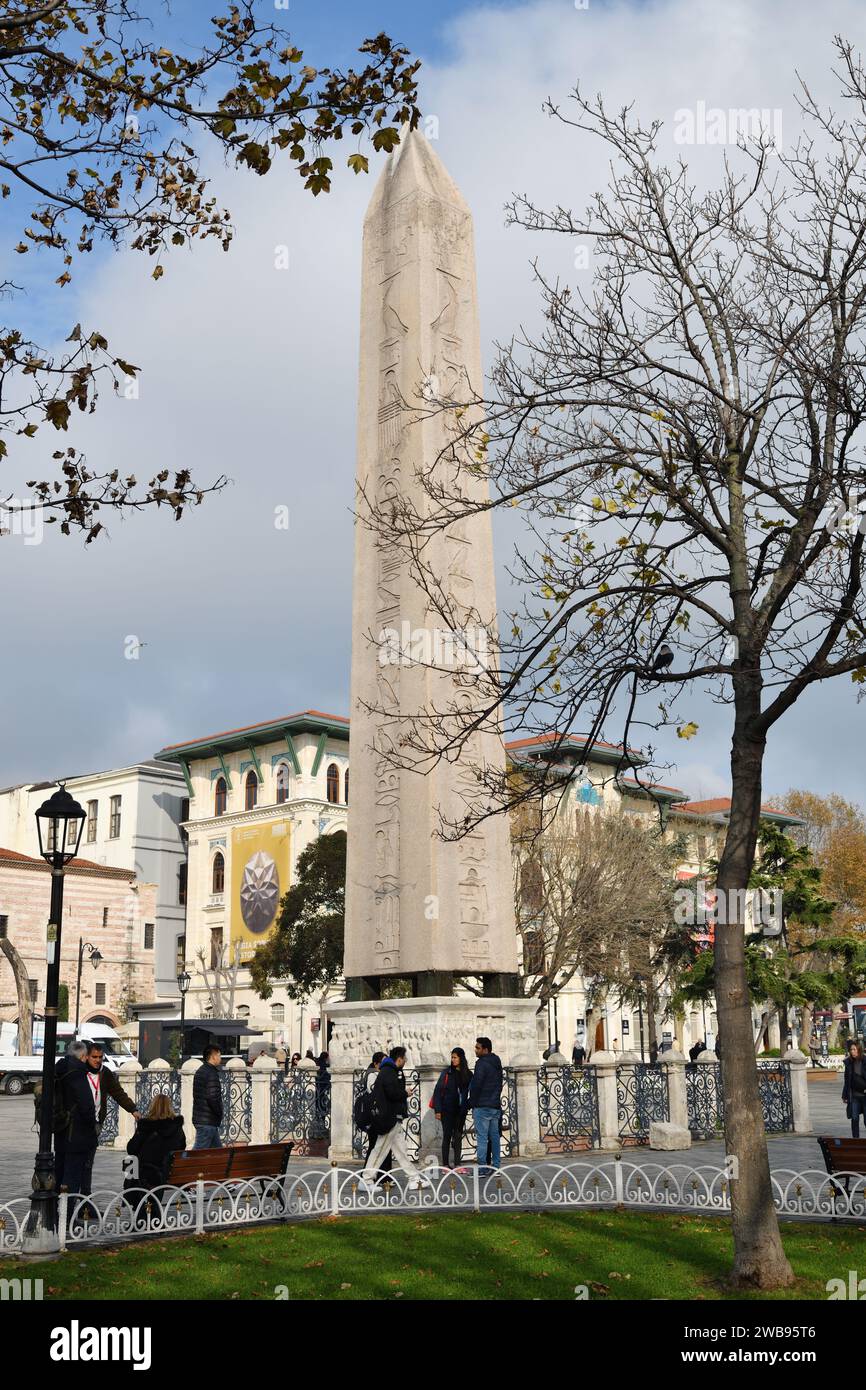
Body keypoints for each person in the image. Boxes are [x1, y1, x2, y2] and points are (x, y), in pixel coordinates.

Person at [61, 1041, 138, 1203]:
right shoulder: (78, 1073)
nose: (97, 1060)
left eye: (100, 1057)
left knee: (88, 1164)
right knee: (74, 1165)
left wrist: (133, 1109)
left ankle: (85, 1201)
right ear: (86, 1056)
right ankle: (72, 1202)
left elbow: (118, 1093)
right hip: (76, 1125)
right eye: (94, 1057)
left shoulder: (105, 1073)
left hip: (95, 1123)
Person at [361, 1046, 429, 1187]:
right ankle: (366, 1180)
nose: (405, 1061)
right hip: (388, 1117)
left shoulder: (390, 1071)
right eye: (405, 1058)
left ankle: (414, 1178)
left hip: (392, 1116)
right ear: (399, 1059)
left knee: (401, 1150)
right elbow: (392, 1093)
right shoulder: (389, 1072)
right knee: (380, 1149)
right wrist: (406, 1093)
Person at [125, 1094, 186, 1209]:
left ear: (152, 1107)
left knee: (130, 1163)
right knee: (158, 1168)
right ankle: (153, 1207)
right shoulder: (177, 1127)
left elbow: (131, 1149)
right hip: (167, 1173)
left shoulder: (145, 1126)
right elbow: (181, 1147)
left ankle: (140, 1207)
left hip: (147, 1174)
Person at [52, 1040, 87, 1191]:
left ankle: (53, 1209)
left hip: (59, 1127)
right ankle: (67, 1212)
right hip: (75, 1132)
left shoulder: (57, 1068)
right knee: (72, 1177)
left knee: (58, 1171)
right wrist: (90, 1125)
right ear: (82, 1056)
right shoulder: (77, 1072)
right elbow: (86, 1105)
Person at [431, 1048, 472, 1169]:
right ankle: (445, 1164)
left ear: (461, 1058)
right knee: (447, 1136)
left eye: (455, 1057)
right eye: (452, 1057)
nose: (453, 1060)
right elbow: (437, 1091)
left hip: (460, 1111)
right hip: (447, 1110)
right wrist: (438, 1110)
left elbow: (473, 1090)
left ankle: (458, 1164)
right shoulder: (447, 1073)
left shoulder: (468, 1074)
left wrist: (468, 1104)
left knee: (458, 1136)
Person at [469, 1036, 503, 1173]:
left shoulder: (481, 1064)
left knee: (482, 1138)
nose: (475, 1050)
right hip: (494, 1105)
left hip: (482, 1106)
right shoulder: (497, 1061)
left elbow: (476, 1085)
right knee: (494, 1137)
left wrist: (472, 1102)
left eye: (478, 1048)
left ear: (485, 1049)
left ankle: (483, 1168)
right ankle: (496, 1166)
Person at [192, 1044, 223, 1148]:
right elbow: (212, 1097)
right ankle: (180, 1163)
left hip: (204, 1119)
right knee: (197, 1154)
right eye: (219, 1055)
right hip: (207, 1121)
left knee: (219, 1154)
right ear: (213, 1056)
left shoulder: (201, 1071)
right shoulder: (211, 1073)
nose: (220, 1058)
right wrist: (219, 1112)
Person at [842, 1040, 866, 1138]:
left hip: (865, 1096)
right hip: (854, 1096)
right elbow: (846, 1080)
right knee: (854, 1118)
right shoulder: (849, 1063)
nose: (852, 1051)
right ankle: (855, 1139)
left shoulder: (865, 1061)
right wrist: (844, 1095)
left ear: (859, 1050)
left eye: (854, 1049)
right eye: (851, 1049)